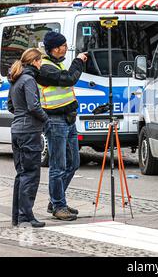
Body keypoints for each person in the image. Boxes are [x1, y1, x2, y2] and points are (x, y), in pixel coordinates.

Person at [36, 31, 88, 221]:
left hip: (68, 118)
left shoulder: (57, 63)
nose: (67, 48)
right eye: (64, 45)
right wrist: (78, 61)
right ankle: (58, 205)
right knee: (58, 166)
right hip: (55, 121)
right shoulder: (45, 68)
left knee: (73, 163)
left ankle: (56, 199)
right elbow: (69, 79)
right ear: (55, 48)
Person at [8, 48, 49, 228]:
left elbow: (10, 105)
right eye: (40, 61)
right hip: (29, 132)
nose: (41, 64)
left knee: (21, 174)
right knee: (31, 174)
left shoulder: (16, 79)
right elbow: (33, 106)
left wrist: (20, 114)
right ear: (34, 61)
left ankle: (17, 216)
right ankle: (26, 216)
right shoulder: (29, 80)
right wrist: (46, 119)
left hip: (16, 131)